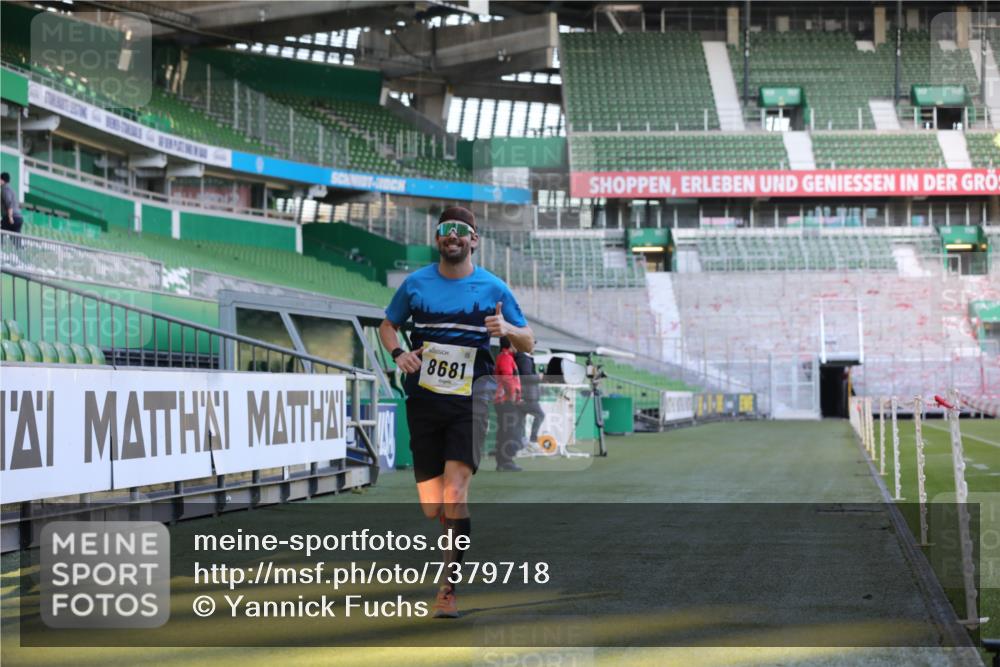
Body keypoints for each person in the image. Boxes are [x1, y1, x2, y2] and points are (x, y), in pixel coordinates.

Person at [379, 205, 533, 618]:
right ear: (437, 238)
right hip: (425, 399)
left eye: (461, 231)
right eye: (446, 230)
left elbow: (529, 341)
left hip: (471, 398)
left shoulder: (494, 288)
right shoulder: (415, 284)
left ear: (474, 239)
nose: (453, 237)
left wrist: (510, 331)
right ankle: (449, 541)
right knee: (433, 505)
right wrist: (398, 353)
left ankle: (448, 589)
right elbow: (387, 325)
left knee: (455, 493)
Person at [493, 337, 523, 472]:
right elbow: (507, 378)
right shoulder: (506, 357)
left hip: (502, 400)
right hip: (505, 400)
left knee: (504, 431)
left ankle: (502, 461)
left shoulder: (504, 356)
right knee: (509, 431)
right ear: (510, 343)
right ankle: (506, 461)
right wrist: (512, 396)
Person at [515, 349, 546, 450]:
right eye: (533, 342)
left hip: (524, 395)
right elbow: (526, 377)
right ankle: (532, 441)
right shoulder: (523, 358)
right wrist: (539, 377)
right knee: (540, 415)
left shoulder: (523, 357)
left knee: (520, 422)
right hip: (527, 396)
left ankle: (521, 445)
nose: (534, 346)